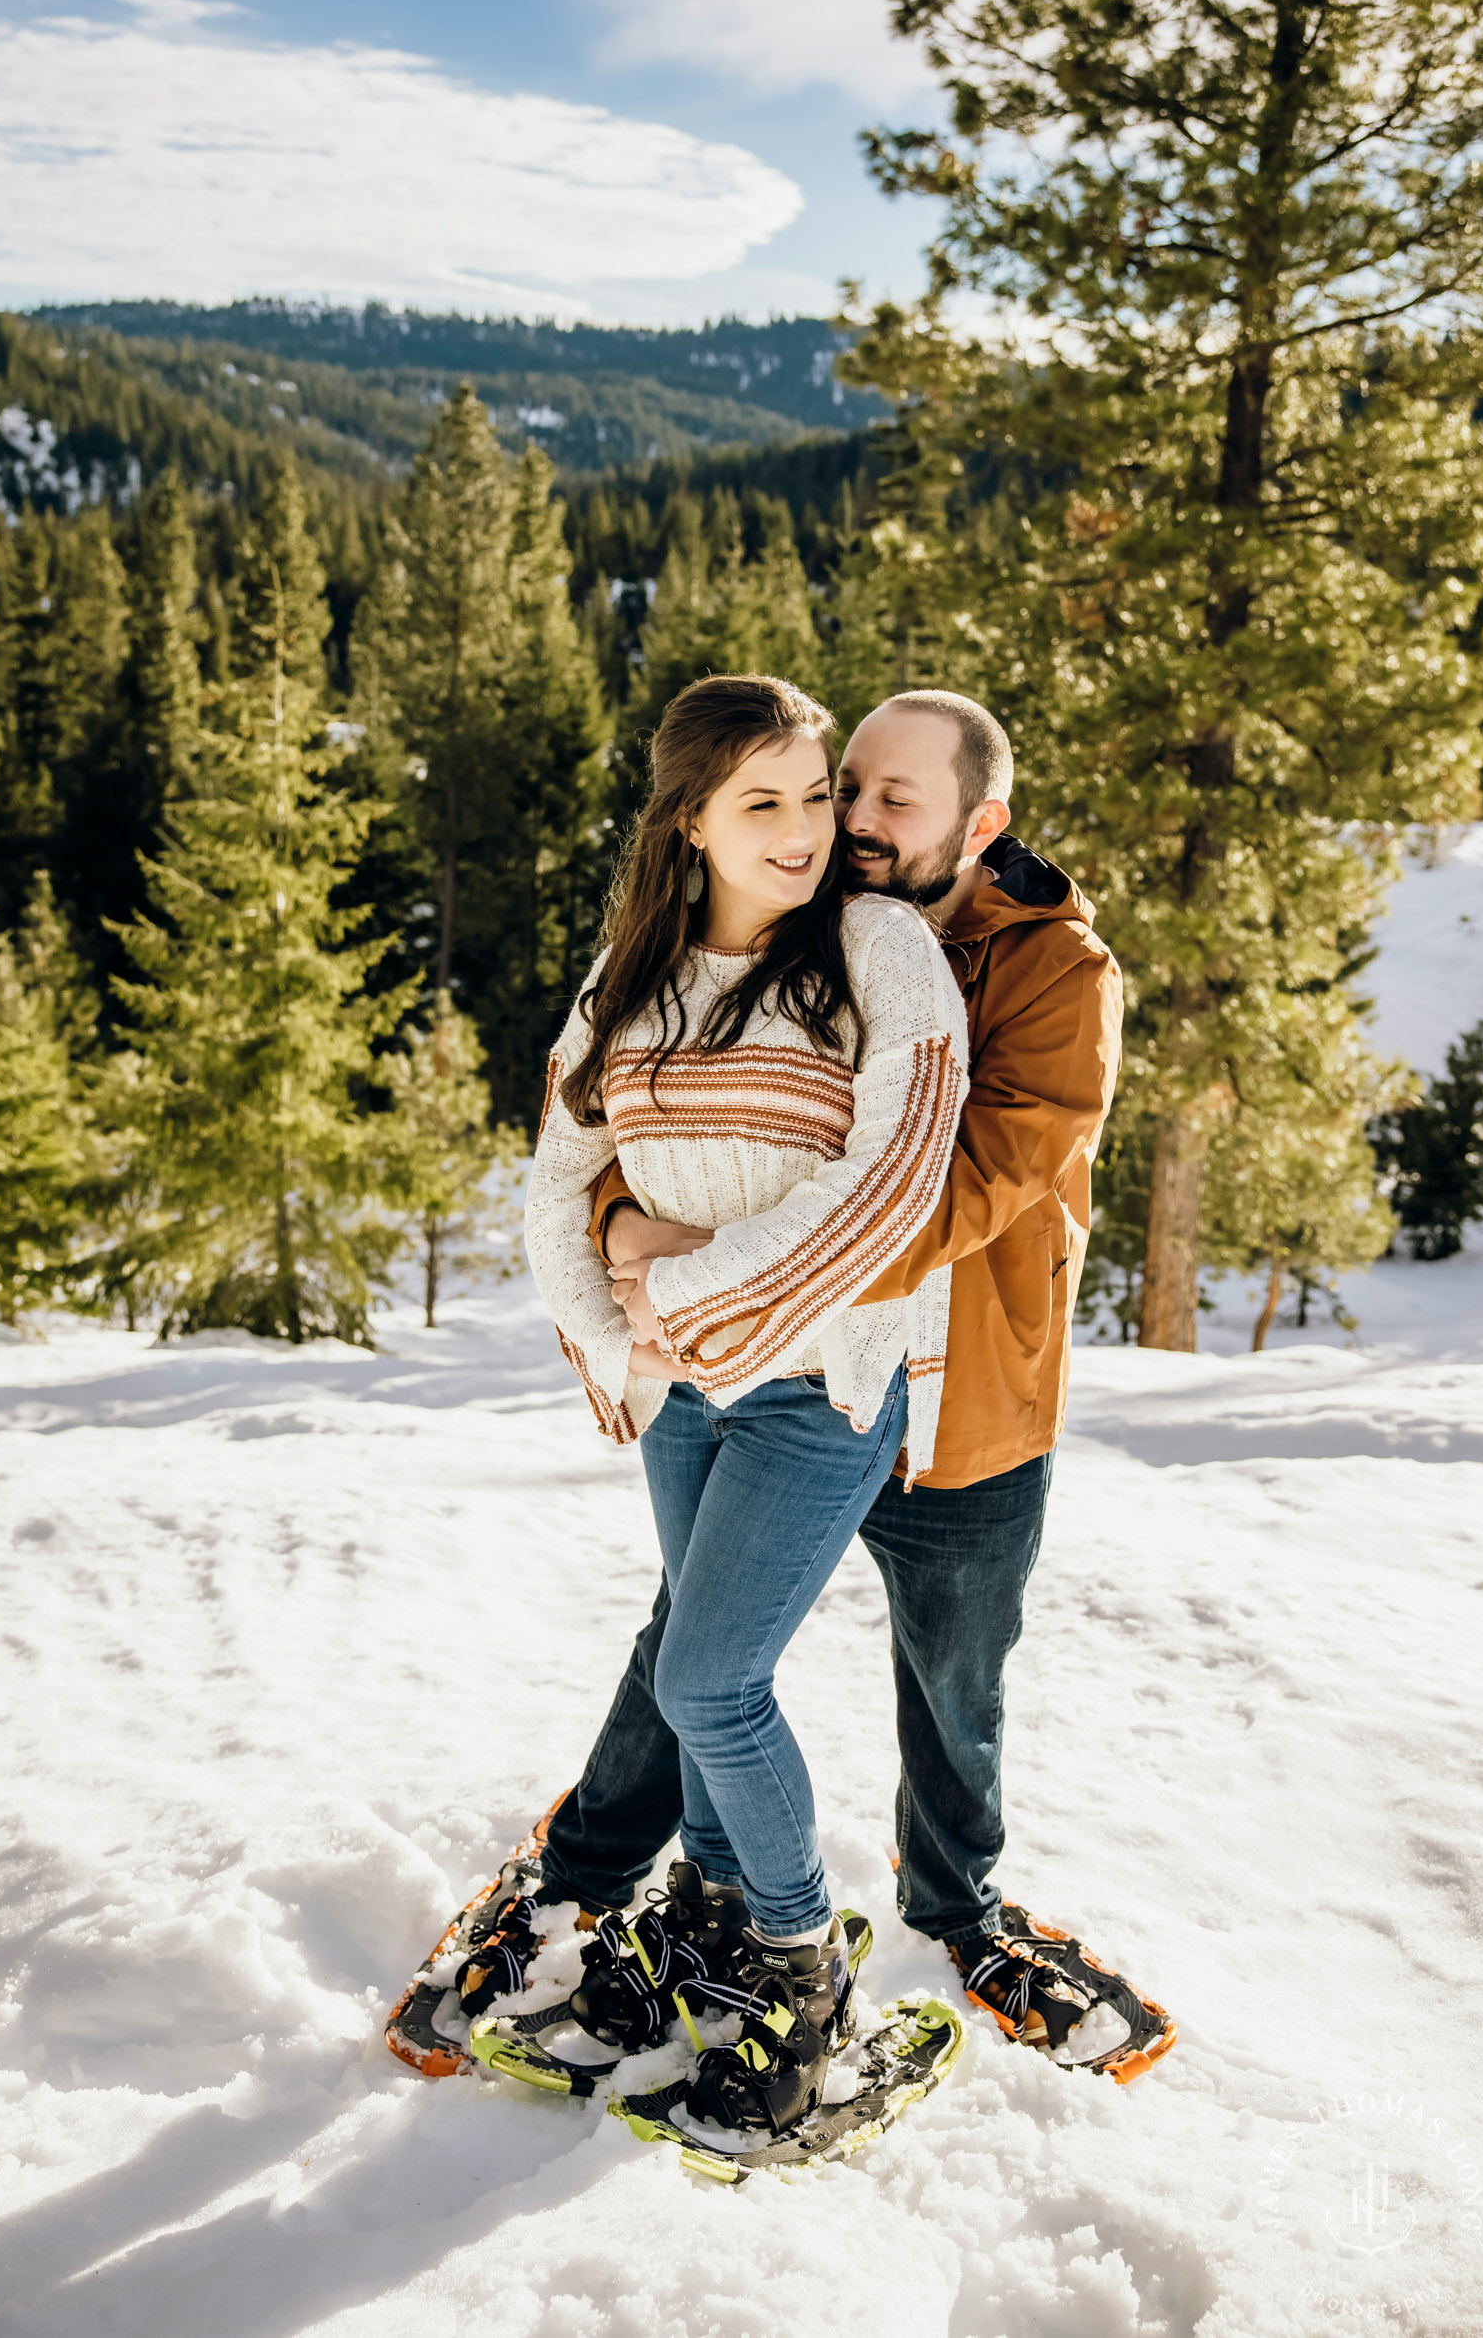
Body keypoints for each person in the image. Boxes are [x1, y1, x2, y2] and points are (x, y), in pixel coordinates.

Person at [536, 690, 1169, 2078]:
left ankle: (955, 1907)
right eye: (845, 791)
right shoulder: (801, 918)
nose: (855, 826)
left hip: (955, 1399)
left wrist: (700, 1265)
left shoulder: (1055, 971)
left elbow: (967, 1184)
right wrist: (622, 1237)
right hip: (758, 1372)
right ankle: (609, 1871)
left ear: (978, 824)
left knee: (955, 1673)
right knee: (694, 1648)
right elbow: (679, 1119)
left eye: (894, 803)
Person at [520, 673, 969, 2132]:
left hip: (821, 1381)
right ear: (693, 822)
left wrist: (691, 1283)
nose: (802, 830)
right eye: (761, 804)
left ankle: (800, 1969)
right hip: (687, 1391)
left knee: (707, 1680)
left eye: (815, 794)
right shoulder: (631, 971)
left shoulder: (879, 950)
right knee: (697, 1680)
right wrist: (618, 1328)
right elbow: (559, 1172)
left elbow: (897, 1174)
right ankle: (717, 1939)